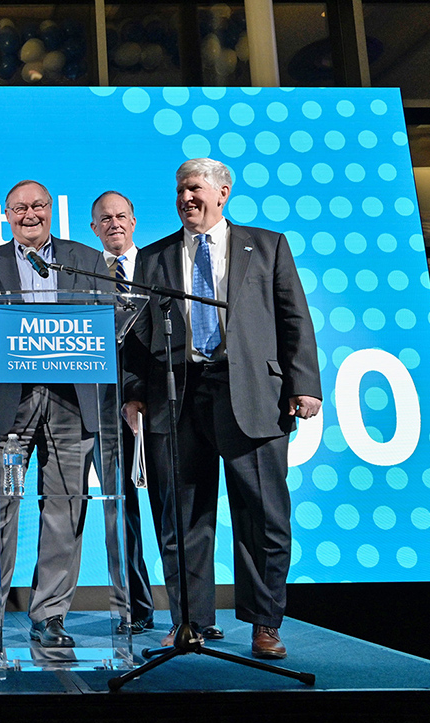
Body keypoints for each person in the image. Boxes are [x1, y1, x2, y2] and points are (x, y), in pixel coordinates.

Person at [122, 159, 321, 659]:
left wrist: (306, 385)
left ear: (223, 192)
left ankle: (264, 623)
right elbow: (136, 334)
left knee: (263, 516)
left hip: (253, 395)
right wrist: (132, 391)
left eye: (195, 188)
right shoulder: (154, 256)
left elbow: (293, 317)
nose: (186, 197)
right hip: (178, 396)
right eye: (180, 189)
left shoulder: (268, 245)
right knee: (181, 518)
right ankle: (190, 622)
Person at [0, 180, 108, 653]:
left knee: (64, 506)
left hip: (70, 400)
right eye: (20, 208)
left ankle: (51, 615)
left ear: (51, 211)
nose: (30, 214)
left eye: (38, 206)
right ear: (6, 215)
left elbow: (111, 321)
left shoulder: (86, 259)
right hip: (9, 405)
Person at [90, 190, 154, 634]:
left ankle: (195, 612)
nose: (114, 223)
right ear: (94, 228)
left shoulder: (160, 267)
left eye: (121, 216)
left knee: (177, 509)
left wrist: (143, 393)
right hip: (103, 408)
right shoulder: (85, 276)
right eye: (104, 219)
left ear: (134, 221)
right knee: (120, 510)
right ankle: (134, 607)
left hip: (161, 405)